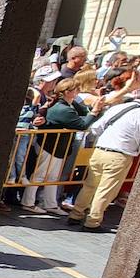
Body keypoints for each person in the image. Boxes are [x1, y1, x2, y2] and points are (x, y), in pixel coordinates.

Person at [69, 86, 140, 230]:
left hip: (100, 150)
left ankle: (76, 214)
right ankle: (92, 222)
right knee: (105, 190)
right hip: (119, 154)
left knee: (89, 186)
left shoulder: (118, 108)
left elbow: (96, 128)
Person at [21, 77, 97, 215]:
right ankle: (28, 202)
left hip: (58, 147)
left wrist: (82, 106)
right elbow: (82, 125)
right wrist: (94, 112)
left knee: (52, 177)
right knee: (40, 175)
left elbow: (83, 114)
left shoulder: (68, 105)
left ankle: (50, 203)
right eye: (76, 89)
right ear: (67, 92)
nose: (78, 92)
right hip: (49, 146)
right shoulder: (62, 109)